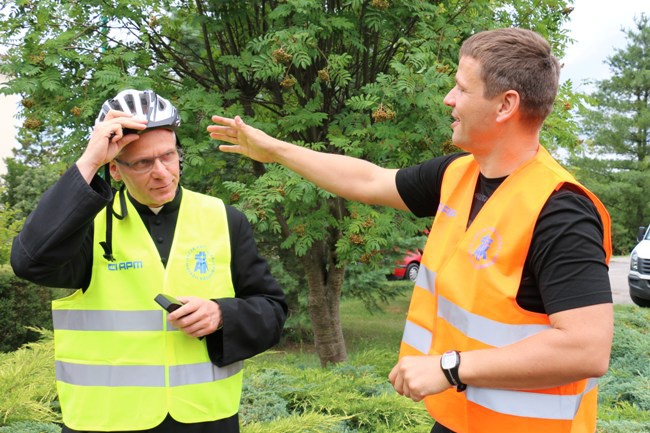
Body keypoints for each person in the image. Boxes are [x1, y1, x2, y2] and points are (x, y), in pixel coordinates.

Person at [207, 28, 613, 433]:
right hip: (459, 420)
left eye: (461, 88)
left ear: (506, 105)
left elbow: (586, 348)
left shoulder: (561, 210)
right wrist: (274, 150)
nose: (448, 99)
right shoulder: (459, 174)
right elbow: (367, 181)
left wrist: (450, 367)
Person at [11, 89, 287, 433]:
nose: (162, 172)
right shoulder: (86, 226)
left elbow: (272, 310)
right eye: (143, 163)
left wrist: (222, 315)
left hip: (205, 421)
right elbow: (30, 261)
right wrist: (87, 162)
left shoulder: (224, 218)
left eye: (169, 156)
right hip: (105, 423)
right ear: (113, 168)